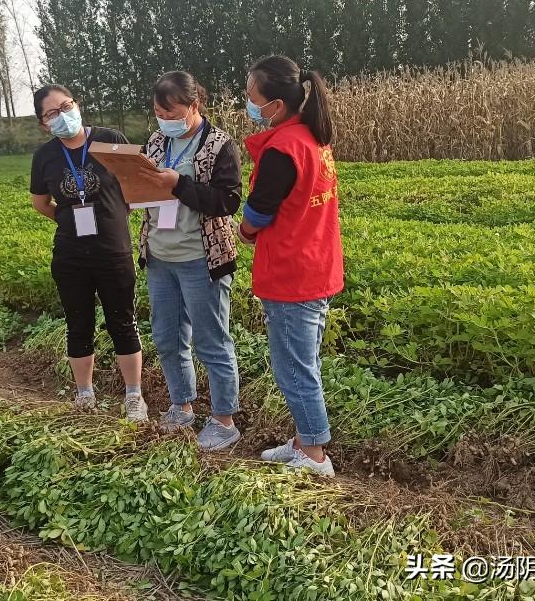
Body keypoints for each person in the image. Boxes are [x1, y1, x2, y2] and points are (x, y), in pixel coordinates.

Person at [238, 54, 343, 478]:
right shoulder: (313, 137)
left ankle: (315, 456)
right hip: (316, 265)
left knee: (294, 368)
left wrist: (244, 231)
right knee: (306, 360)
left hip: (292, 273)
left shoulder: (283, 148)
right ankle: (304, 440)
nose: (249, 105)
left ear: (276, 105)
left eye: (252, 98)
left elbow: (259, 213)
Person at [29, 84, 149, 422]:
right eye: (52, 113)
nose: (62, 116)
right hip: (71, 254)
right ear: (43, 123)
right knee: (78, 323)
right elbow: (40, 203)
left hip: (113, 250)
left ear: (77, 105)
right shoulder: (45, 157)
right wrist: (67, 219)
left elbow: (139, 182)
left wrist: (115, 216)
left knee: (123, 322)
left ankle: (134, 396)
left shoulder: (110, 140)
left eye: (65, 106)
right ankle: (85, 395)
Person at [137, 71, 243, 451]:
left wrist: (178, 185)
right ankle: (181, 406)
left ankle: (224, 420)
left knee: (212, 341)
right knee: (167, 338)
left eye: (171, 110)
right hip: (161, 257)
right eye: (157, 111)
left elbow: (228, 201)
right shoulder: (154, 142)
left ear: (194, 106)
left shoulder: (218, 145)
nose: (164, 118)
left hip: (202, 259)